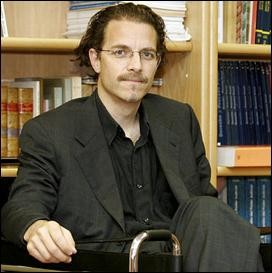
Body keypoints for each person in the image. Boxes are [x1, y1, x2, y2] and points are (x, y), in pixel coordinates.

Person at [1, 2, 264, 272]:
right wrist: (36, 227)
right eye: (120, 52)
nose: (136, 65)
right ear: (95, 59)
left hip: (182, 262)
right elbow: (21, 206)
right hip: (103, 264)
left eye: (147, 54)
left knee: (211, 213)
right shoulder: (50, 131)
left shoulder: (178, 119)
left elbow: (204, 209)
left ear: (158, 62)